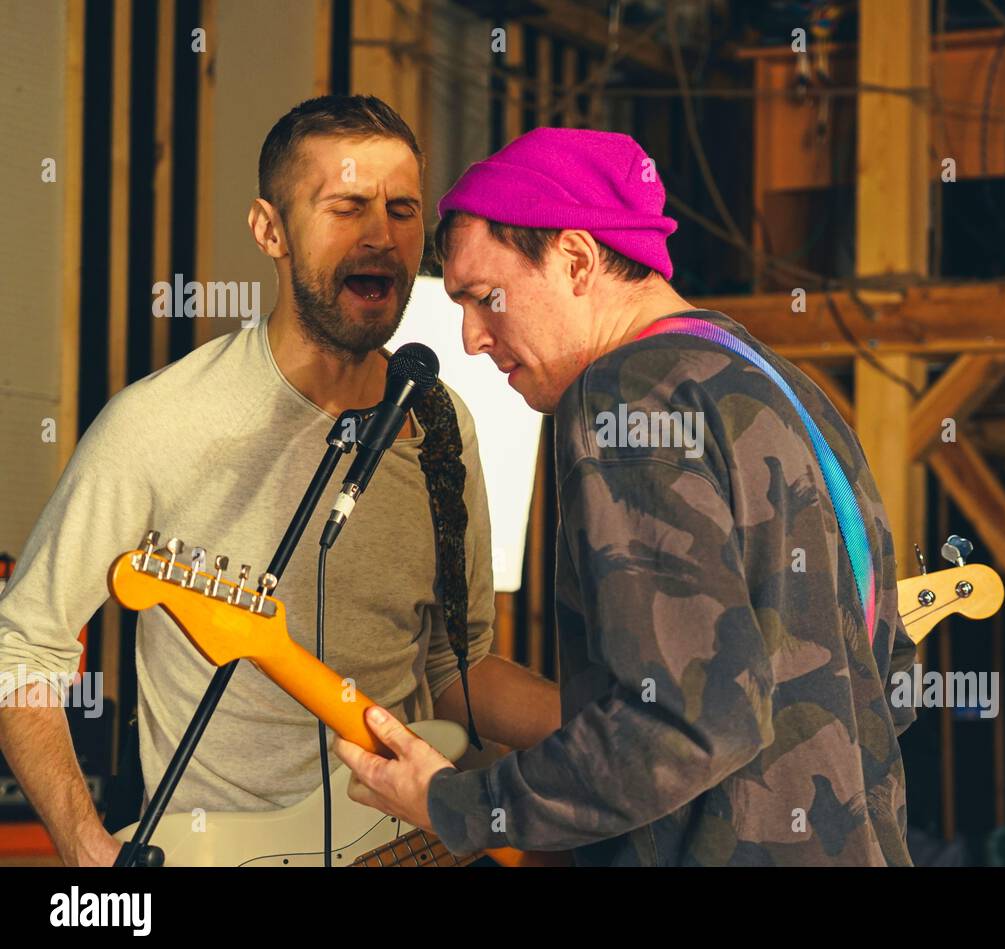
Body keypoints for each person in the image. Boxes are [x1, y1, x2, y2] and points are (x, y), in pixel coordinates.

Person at [0, 95, 559, 867]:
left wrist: (622, 738)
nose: (380, 235)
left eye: (401, 210)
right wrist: (81, 839)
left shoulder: (437, 420)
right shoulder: (160, 423)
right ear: (270, 230)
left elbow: (453, 669)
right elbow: (23, 648)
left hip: (406, 843)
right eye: (346, 206)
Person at [336, 126, 918, 866]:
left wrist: (465, 805)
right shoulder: (784, 387)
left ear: (576, 260)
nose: (472, 338)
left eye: (486, 297)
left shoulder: (624, 396)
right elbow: (893, 675)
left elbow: (681, 721)